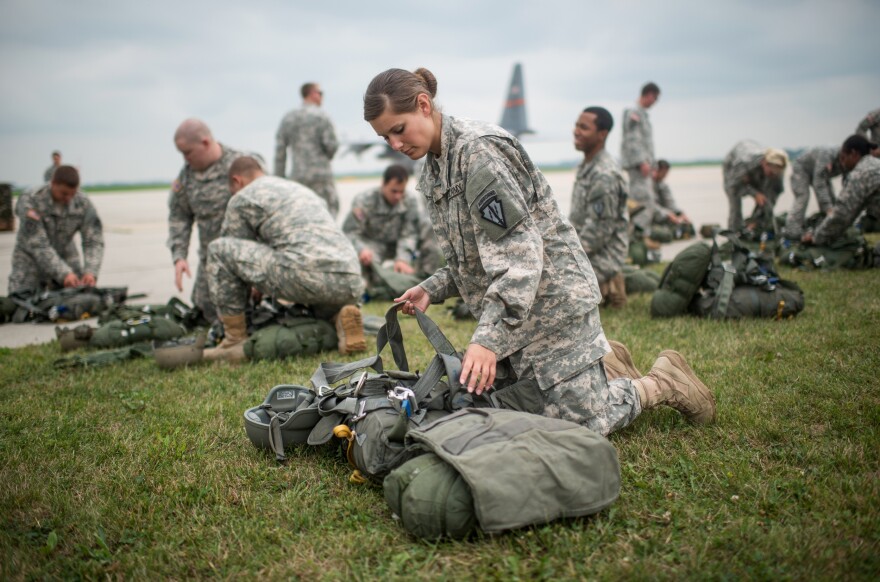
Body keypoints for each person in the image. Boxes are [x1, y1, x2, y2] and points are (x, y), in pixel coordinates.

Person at [363, 67, 716, 437]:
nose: (395, 145)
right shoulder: (436, 167)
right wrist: (432, 288)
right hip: (519, 312)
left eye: (398, 130)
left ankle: (662, 381)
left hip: (553, 304)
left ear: (423, 105)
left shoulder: (478, 153)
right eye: (385, 137)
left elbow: (518, 252)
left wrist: (486, 340)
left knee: (578, 427)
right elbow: (476, 255)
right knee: (504, 407)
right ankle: (602, 367)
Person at [204, 157, 366, 362]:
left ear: (237, 181)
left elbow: (233, 252)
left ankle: (234, 339)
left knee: (218, 249)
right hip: (350, 279)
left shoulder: (243, 197)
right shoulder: (300, 190)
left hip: (305, 275)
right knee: (315, 280)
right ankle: (339, 316)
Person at [167, 118, 251, 323]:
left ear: (205, 143)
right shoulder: (186, 177)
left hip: (247, 254)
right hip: (211, 259)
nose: (185, 159)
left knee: (250, 313)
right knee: (205, 312)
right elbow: (179, 216)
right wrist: (179, 256)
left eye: (188, 152)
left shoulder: (240, 165)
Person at [8, 165, 104, 294]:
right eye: (64, 193)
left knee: (75, 305)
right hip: (30, 264)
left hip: (66, 259)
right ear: (53, 183)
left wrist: (91, 272)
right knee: (22, 306)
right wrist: (64, 273)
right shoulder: (31, 200)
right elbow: (38, 244)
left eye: (72, 194)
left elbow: (93, 240)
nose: (68, 198)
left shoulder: (82, 203)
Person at [568, 106, 628, 308]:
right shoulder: (588, 166)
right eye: (576, 125)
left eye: (584, 127)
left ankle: (610, 287)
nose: (576, 131)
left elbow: (598, 233)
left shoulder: (604, 174)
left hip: (602, 256)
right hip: (583, 252)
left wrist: (565, 257)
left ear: (602, 134)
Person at [274, 82, 340, 217]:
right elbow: (332, 146)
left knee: (301, 216)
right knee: (327, 215)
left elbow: (280, 152)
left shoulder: (288, 118)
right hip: (321, 177)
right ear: (313, 94)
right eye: (321, 93)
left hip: (298, 177)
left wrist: (279, 179)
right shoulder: (322, 116)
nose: (322, 97)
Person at [803, 135, 880, 247]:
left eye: (843, 158)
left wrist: (816, 238)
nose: (842, 164)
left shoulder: (860, 174)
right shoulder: (875, 164)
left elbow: (841, 214)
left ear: (854, 154)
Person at [621, 82, 660, 234]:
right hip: (638, 166)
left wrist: (652, 165)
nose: (654, 102)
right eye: (655, 99)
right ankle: (638, 236)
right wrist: (642, 162)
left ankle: (640, 235)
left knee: (644, 201)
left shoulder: (642, 113)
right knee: (643, 202)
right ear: (649, 94)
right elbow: (632, 139)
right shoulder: (633, 112)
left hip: (644, 165)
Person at [722, 140, 788, 232]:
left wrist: (758, 218)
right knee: (734, 200)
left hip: (754, 165)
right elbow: (733, 185)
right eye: (771, 173)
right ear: (764, 163)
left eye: (776, 174)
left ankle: (755, 226)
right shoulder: (744, 162)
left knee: (766, 199)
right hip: (734, 166)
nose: (773, 175)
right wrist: (755, 194)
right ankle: (734, 231)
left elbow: (775, 193)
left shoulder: (778, 169)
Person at [781, 146, 844, 240]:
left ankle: (829, 227)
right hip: (802, 169)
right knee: (803, 197)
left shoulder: (849, 162)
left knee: (831, 196)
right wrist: (828, 208)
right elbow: (818, 183)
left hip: (818, 173)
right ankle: (792, 231)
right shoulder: (827, 155)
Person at [651, 160, 692, 233]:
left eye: (666, 173)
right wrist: (668, 214)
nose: (665, 175)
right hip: (654, 217)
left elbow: (670, 202)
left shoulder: (663, 185)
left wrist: (680, 213)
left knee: (688, 227)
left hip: (664, 214)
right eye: (663, 173)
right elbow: (651, 205)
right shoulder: (648, 185)